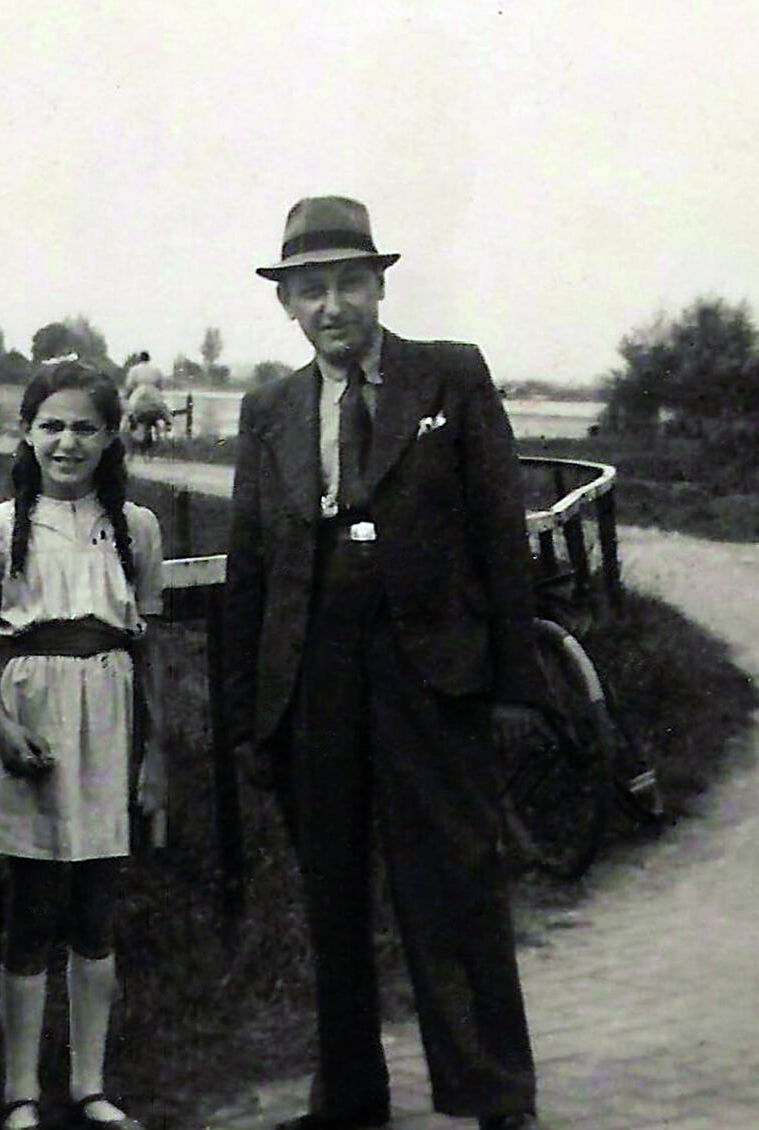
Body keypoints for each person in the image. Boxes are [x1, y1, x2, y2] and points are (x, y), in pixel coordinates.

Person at [223, 197, 550, 1130]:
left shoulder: (448, 378)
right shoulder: (270, 410)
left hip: (430, 676)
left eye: (350, 284)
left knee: (454, 882)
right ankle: (350, 1098)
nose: (333, 306)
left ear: (379, 286)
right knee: (333, 897)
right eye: (312, 289)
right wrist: (250, 714)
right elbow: (250, 569)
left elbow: (500, 531)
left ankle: (494, 1092)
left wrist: (515, 683)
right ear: (287, 303)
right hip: (312, 680)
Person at [0, 358, 166, 1130]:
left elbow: (149, 649)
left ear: (112, 437)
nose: (67, 442)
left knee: (96, 909)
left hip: (108, 731)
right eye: (52, 425)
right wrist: (3, 730)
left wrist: (157, 756)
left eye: (85, 427)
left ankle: (89, 1084)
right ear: (26, 431)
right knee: (33, 909)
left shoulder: (134, 528)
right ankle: (20, 1090)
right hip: (33, 733)